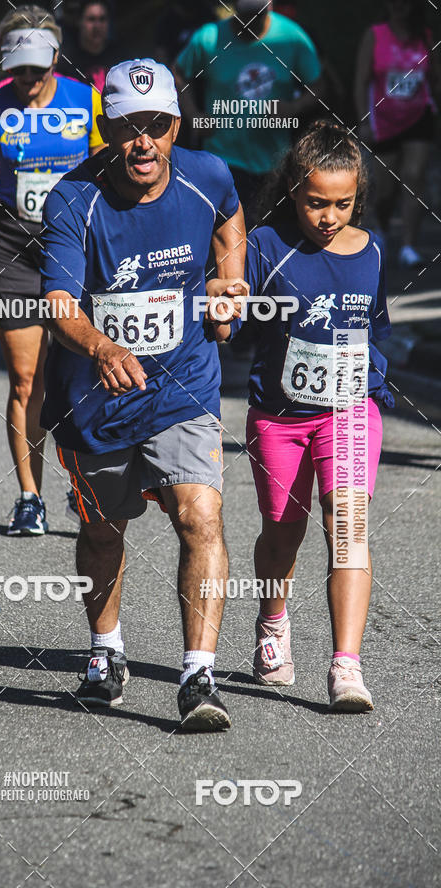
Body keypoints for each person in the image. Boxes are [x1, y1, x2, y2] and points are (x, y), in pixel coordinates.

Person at [40, 59, 247, 730]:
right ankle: (106, 652)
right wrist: (101, 347)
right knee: (103, 530)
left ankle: (198, 676)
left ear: (175, 126)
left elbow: (230, 216)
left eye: (156, 124)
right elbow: (58, 304)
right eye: (128, 126)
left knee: (200, 517)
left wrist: (230, 286)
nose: (143, 141)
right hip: (95, 398)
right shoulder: (73, 198)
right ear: (107, 130)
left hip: (184, 386)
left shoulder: (206, 175)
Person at [214, 121, 393, 711]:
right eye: (316, 202)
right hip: (280, 417)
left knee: (347, 526)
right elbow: (234, 322)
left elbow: (375, 326)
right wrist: (222, 311)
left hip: (349, 411)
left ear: (357, 197)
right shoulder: (266, 245)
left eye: (343, 203)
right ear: (293, 190)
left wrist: (371, 375)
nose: (329, 216)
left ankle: (346, 666)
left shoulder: (372, 250)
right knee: (283, 532)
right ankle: (272, 620)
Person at [0, 4, 103, 535]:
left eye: (38, 67)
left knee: (83, 372)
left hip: (74, 246)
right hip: (11, 247)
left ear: (56, 59)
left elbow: (109, 179)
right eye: (19, 68)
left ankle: (85, 485)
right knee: (25, 380)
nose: (29, 78)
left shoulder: (86, 102)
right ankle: (30, 497)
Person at [174, 0, 321, 227]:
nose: (251, 22)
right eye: (246, 15)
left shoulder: (291, 38)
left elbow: (318, 86)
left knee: (269, 234)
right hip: (223, 162)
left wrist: (293, 107)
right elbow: (178, 74)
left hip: (274, 163)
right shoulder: (209, 38)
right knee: (226, 235)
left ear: (269, 8)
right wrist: (193, 115)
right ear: (234, 9)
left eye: (258, 15)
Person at [354, 0, 441, 267]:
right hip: (384, 120)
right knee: (384, 189)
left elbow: (435, 78)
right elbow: (361, 81)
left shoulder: (425, 36)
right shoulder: (375, 35)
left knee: (414, 175)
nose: (399, 6)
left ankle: (409, 245)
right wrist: (364, 120)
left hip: (419, 117)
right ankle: (382, 228)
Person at [57, 0, 117, 93]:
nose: (97, 26)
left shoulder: (121, 58)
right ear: (80, 21)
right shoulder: (65, 62)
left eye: (102, 19)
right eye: (91, 19)